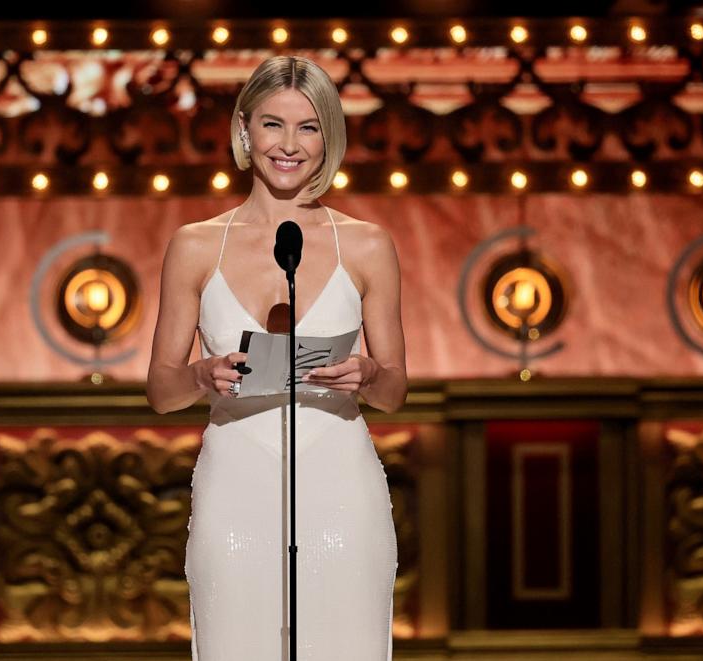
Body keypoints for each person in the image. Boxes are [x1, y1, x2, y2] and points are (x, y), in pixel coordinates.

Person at [146, 54, 407, 660]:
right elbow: (161, 391)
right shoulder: (194, 246)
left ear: (329, 138)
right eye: (272, 124)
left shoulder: (368, 244)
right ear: (244, 129)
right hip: (236, 478)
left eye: (309, 127)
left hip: (339, 475)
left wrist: (368, 373)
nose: (289, 145)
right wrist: (198, 375)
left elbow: (395, 391)